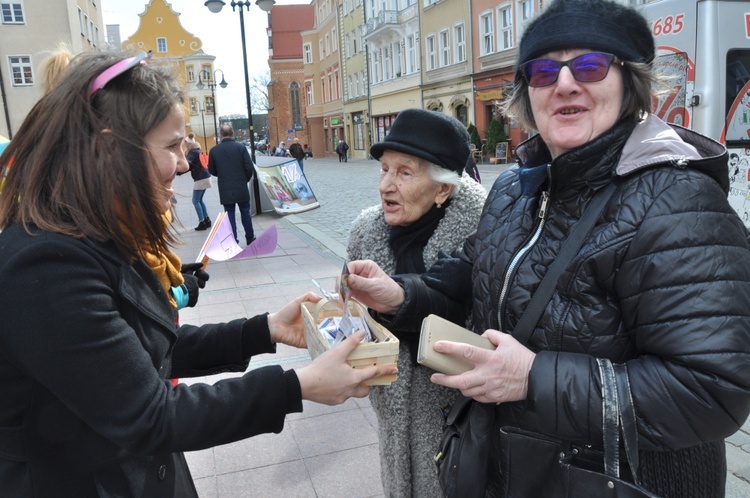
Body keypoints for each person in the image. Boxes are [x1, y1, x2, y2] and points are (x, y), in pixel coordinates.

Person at [345, 1, 750, 496]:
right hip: (517, 472)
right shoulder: (515, 188)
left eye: (589, 66)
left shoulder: (677, 202)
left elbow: (712, 391)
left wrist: (534, 378)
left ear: (629, 82)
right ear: (526, 92)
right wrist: (400, 298)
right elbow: (472, 284)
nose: (563, 84)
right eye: (542, 70)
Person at [0, 51, 397, 497]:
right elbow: (148, 415)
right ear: (108, 149)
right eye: (172, 146)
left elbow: (142, 351)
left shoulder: (96, 230)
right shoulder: (44, 264)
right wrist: (295, 386)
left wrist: (263, 331)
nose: (186, 163)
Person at [346, 108, 487, 497]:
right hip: (392, 419)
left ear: (442, 189)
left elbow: (480, 330)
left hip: (461, 423)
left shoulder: (483, 238)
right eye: (384, 170)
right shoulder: (365, 234)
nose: (386, 186)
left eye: (404, 173)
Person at [208, 124, 255, 245]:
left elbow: (211, 170)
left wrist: (223, 175)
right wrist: (244, 179)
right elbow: (249, 167)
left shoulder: (214, 151)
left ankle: (233, 240)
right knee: (245, 211)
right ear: (233, 134)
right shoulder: (241, 148)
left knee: (229, 214)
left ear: (220, 135)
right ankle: (250, 237)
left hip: (225, 187)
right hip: (241, 185)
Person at [184, 140, 212, 230]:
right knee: (200, 200)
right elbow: (191, 166)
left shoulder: (192, 152)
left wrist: (178, 170)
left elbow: (187, 163)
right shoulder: (198, 151)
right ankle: (207, 220)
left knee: (195, 201)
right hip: (206, 177)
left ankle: (202, 222)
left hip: (201, 179)